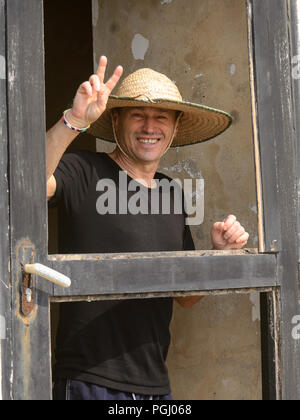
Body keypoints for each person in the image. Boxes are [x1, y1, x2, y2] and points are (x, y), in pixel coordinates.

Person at [48, 56, 249, 400]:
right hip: (89, 380)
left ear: (174, 127)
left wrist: (218, 256)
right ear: (115, 119)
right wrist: (74, 120)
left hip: (155, 386)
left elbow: (184, 298)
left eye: (161, 117)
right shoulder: (83, 170)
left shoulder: (171, 193)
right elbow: (22, 183)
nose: (149, 127)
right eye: (138, 115)